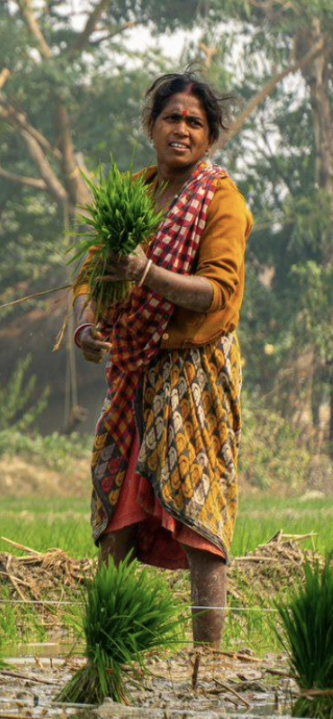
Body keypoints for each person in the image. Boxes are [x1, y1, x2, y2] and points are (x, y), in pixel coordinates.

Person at [72, 71, 254, 647]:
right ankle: (102, 657)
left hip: (193, 374)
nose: (181, 129)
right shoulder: (133, 192)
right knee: (119, 512)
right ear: (151, 126)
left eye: (194, 122)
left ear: (210, 137)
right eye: (171, 118)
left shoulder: (219, 198)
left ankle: (211, 663)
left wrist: (148, 273)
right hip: (134, 373)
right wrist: (86, 326)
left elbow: (217, 291)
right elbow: (93, 274)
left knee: (198, 513)